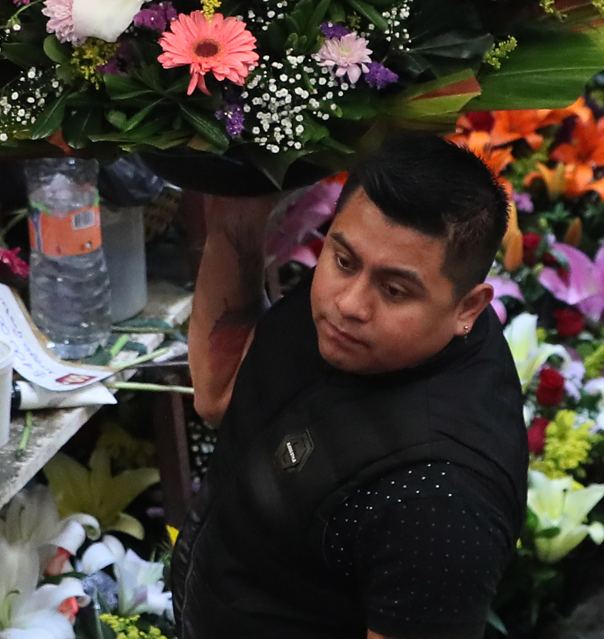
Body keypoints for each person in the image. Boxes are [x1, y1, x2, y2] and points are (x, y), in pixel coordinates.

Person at [170, 134, 528, 639]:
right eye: (342, 260)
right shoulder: (356, 312)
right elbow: (219, 395)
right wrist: (237, 209)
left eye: (394, 290)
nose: (350, 304)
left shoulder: (441, 502)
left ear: (468, 307)